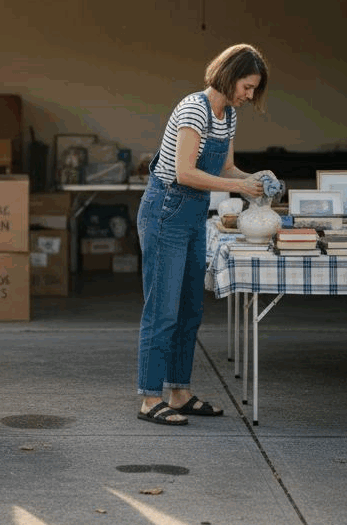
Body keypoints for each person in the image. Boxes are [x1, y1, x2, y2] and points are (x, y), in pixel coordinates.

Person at [135, 44, 272, 426]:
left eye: (253, 89)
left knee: (190, 310)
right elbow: (184, 172)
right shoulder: (193, 108)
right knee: (162, 309)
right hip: (166, 209)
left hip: (194, 216)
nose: (249, 95)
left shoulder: (227, 116)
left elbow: (226, 167)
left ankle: (178, 392)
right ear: (229, 77)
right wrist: (241, 190)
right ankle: (149, 398)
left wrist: (253, 179)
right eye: (247, 87)